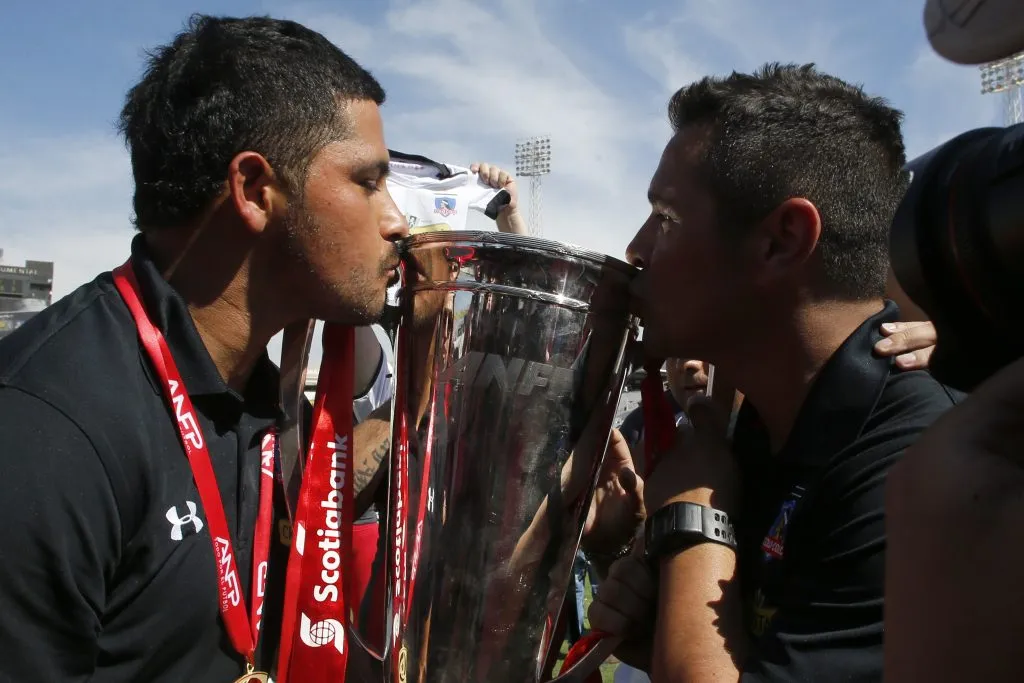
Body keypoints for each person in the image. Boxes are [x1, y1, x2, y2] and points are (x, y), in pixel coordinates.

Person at [0, 15, 407, 683]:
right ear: (254, 189)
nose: (396, 220)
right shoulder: (47, 432)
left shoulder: (254, 398)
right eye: (368, 181)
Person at [584, 63, 963, 683]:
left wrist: (690, 515)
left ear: (783, 240)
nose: (637, 248)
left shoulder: (920, 467)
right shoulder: (756, 432)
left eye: (667, 218)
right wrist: (651, 611)